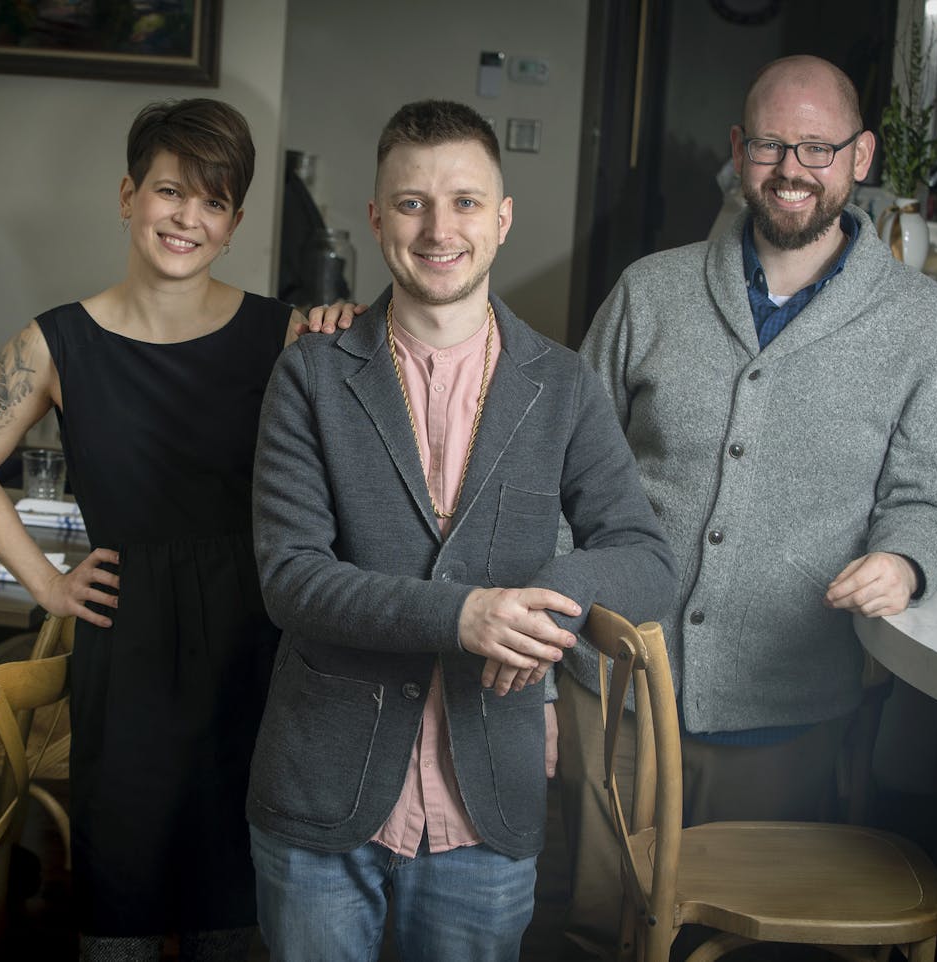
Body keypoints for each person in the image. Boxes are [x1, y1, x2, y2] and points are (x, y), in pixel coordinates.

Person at [561, 55, 937, 958]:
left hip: (785, 711)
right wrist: (558, 636)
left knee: (746, 942)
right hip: (615, 700)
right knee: (597, 927)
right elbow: (563, 469)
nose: (794, 168)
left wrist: (904, 560)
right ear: (739, 152)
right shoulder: (649, 290)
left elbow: (930, 494)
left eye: (819, 146)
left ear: (861, 156)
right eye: (774, 145)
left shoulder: (921, 322)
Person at [246, 99, 676, 962]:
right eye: (411, 203)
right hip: (321, 794)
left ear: (503, 219)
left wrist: (547, 607)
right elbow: (290, 577)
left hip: (489, 799)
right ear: (376, 219)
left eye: (466, 201)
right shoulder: (309, 376)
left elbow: (647, 561)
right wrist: (463, 617)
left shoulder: (564, 386)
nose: (439, 228)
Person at [0, 98, 352, 962]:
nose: (187, 218)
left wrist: (343, 334)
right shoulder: (56, 342)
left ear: (235, 223)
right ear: (128, 196)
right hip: (123, 646)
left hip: (252, 639)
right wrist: (49, 583)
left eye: (212, 202)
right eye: (171, 191)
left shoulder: (283, 334)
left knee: (235, 913)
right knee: (117, 910)